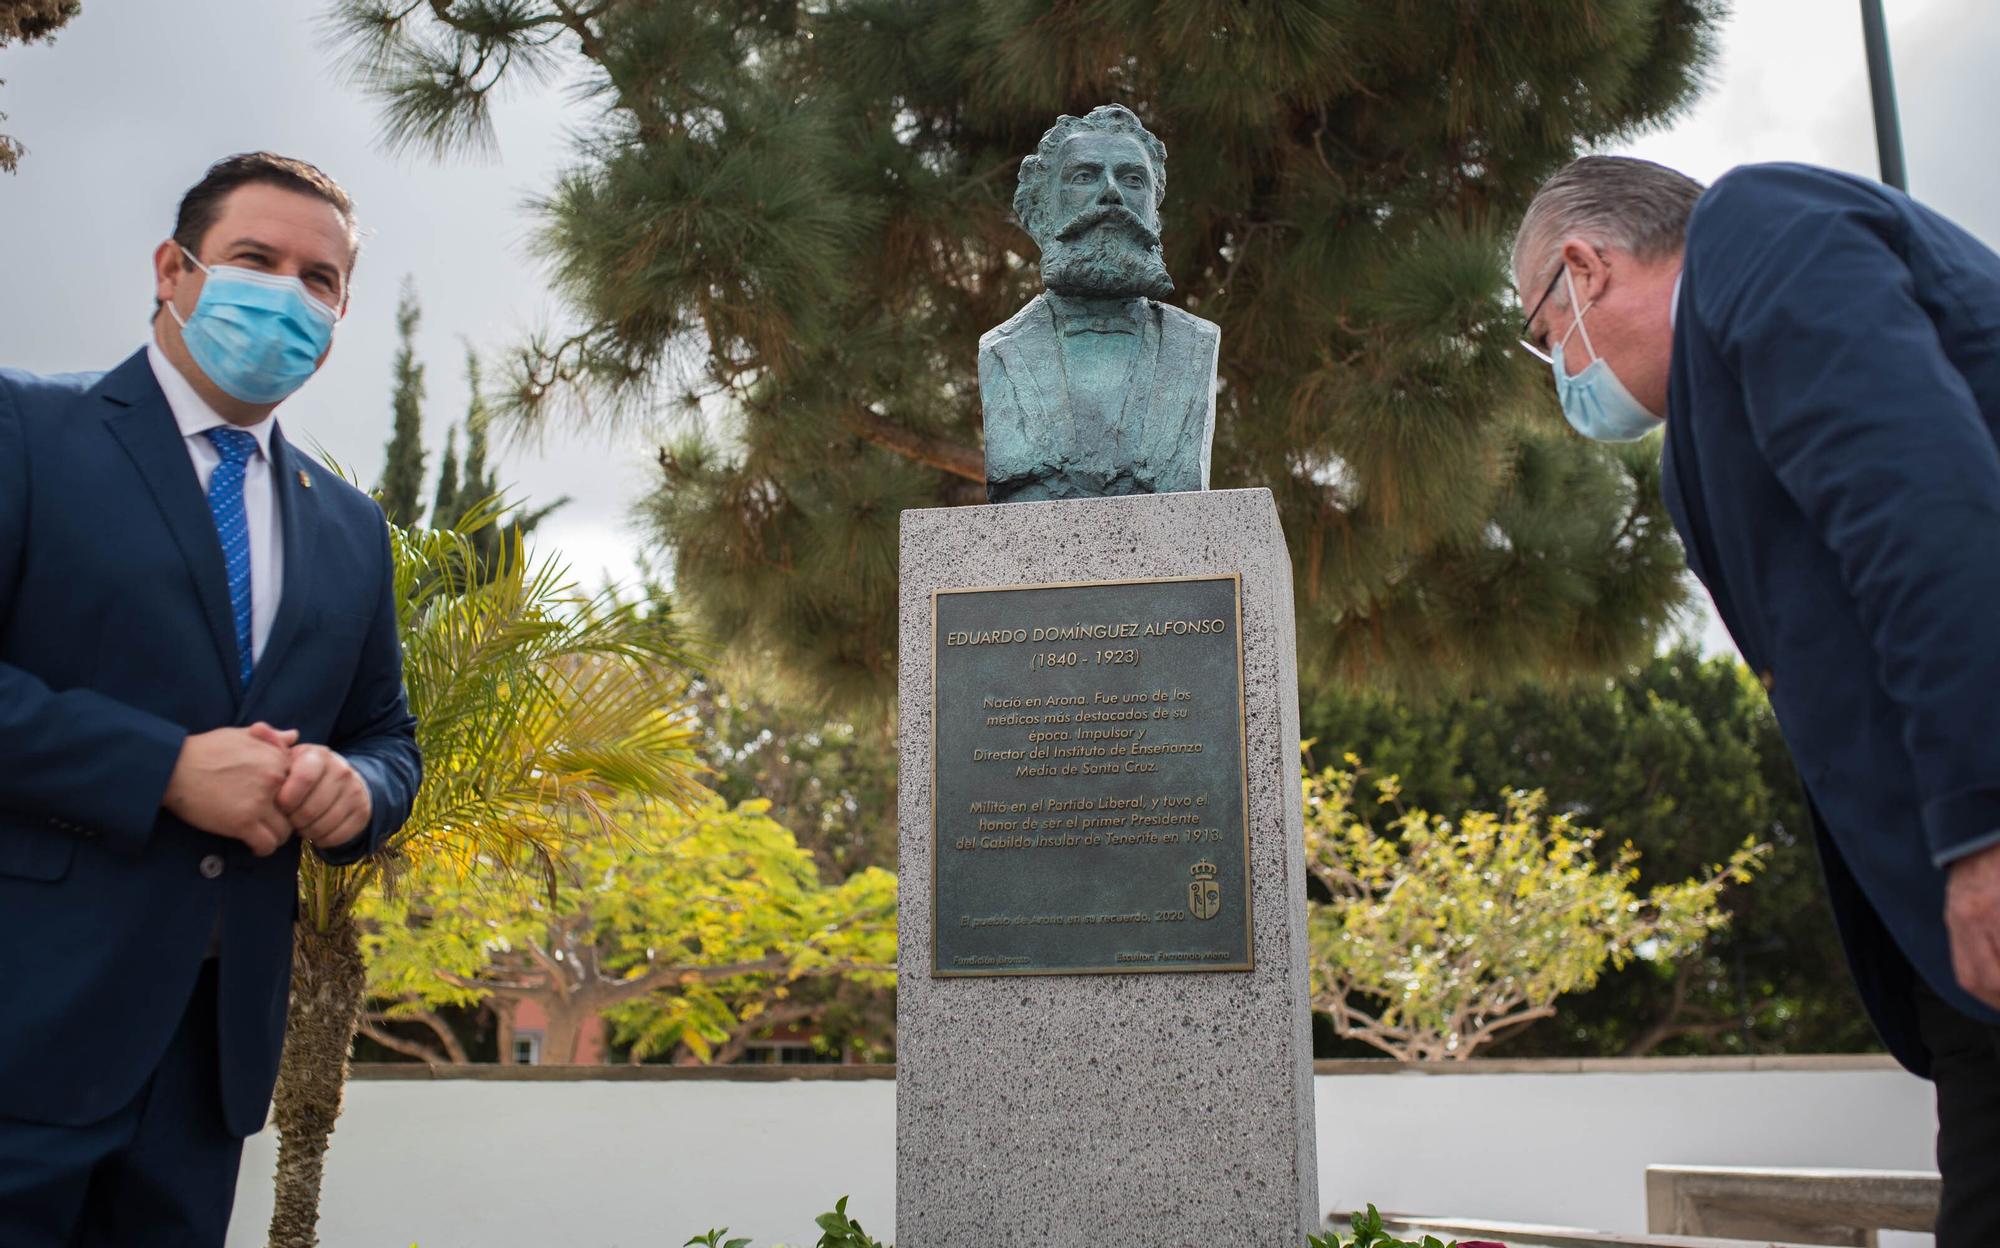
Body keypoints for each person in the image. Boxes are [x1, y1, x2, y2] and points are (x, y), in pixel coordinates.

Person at [1513, 155, 2000, 1246]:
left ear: (1581, 269)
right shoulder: (1698, 439)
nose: (1558, 371)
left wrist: (1983, 819)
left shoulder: (1756, 224)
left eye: (1543, 336)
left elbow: (1914, 501)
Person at [0, 152, 422, 1245]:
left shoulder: (351, 528)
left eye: (319, 279)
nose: (288, 293)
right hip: (22, 1030)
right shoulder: (27, 434)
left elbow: (386, 735)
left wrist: (355, 788)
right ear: (173, 270)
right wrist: (165, 768)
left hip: (208, 1068)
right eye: (255, 259)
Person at [980, 104, 1219, 503]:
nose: (1111, 193)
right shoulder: (1002, 350)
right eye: (1085, 177)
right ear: (1040, 211)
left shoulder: (1196, 345)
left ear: (1153, 215)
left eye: (1132, 179)